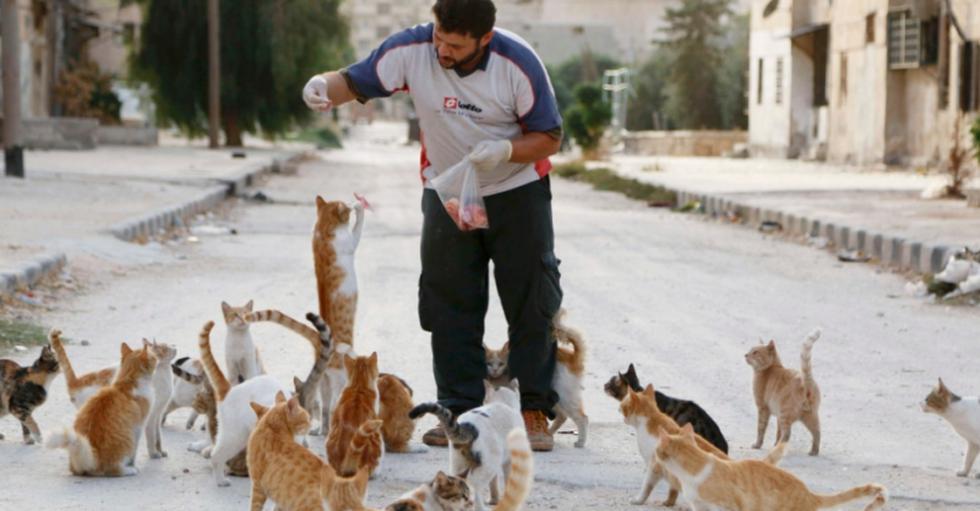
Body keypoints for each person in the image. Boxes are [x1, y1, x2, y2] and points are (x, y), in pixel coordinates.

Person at [301, 0, 563, 451]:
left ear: (484, 38)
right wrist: (321, 85)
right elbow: (354, 80)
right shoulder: (413, 48)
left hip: (516, 190)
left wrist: (503, 151)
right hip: (447, 191)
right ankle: (457, 409)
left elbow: (550, 136)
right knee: (448, 301)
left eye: (455, 45)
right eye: (439, 37)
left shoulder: (517, 63)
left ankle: (534, 409)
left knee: (531, 301)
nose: (441, 50)